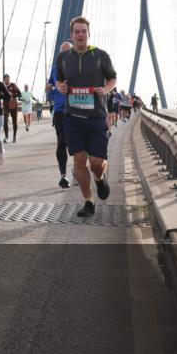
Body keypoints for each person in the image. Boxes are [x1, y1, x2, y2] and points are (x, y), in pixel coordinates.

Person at [54, 16, 118, 218]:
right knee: (79, 159)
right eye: (77, 31)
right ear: (72, 35)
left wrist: (106, 89)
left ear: (89, 33)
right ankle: (88, 201)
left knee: (96, 163)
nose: (80, 35)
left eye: (83, 31)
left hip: (96, 117)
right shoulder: (63, 58)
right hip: (72, 117)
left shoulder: (101, 55)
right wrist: (61, 87)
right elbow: (60, 81)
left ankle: (99, 178)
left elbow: (112, 78)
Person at [46, 41, 72, 188]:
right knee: (62, 142)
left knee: (77, 144)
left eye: (69, 52)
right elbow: (50, 84)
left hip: (77, 109)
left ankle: (79, 168)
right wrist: (49, 88)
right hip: (60, 110)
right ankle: (63, 175)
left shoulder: (79, 67)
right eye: (63, 52)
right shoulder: (55, 69)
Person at [2, 74, 21, 142]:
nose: (7, 80)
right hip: (6, 106)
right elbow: (0, 95)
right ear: (4, 80)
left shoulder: (13, 85)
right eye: (6, 79)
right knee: (5, 121)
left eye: (8, 79)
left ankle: (14, 136)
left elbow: (19, 94)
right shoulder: (2, 86)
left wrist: (13, 94)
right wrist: (3, 95)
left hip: (14, 105)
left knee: (14, 122)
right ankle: (6, 137)